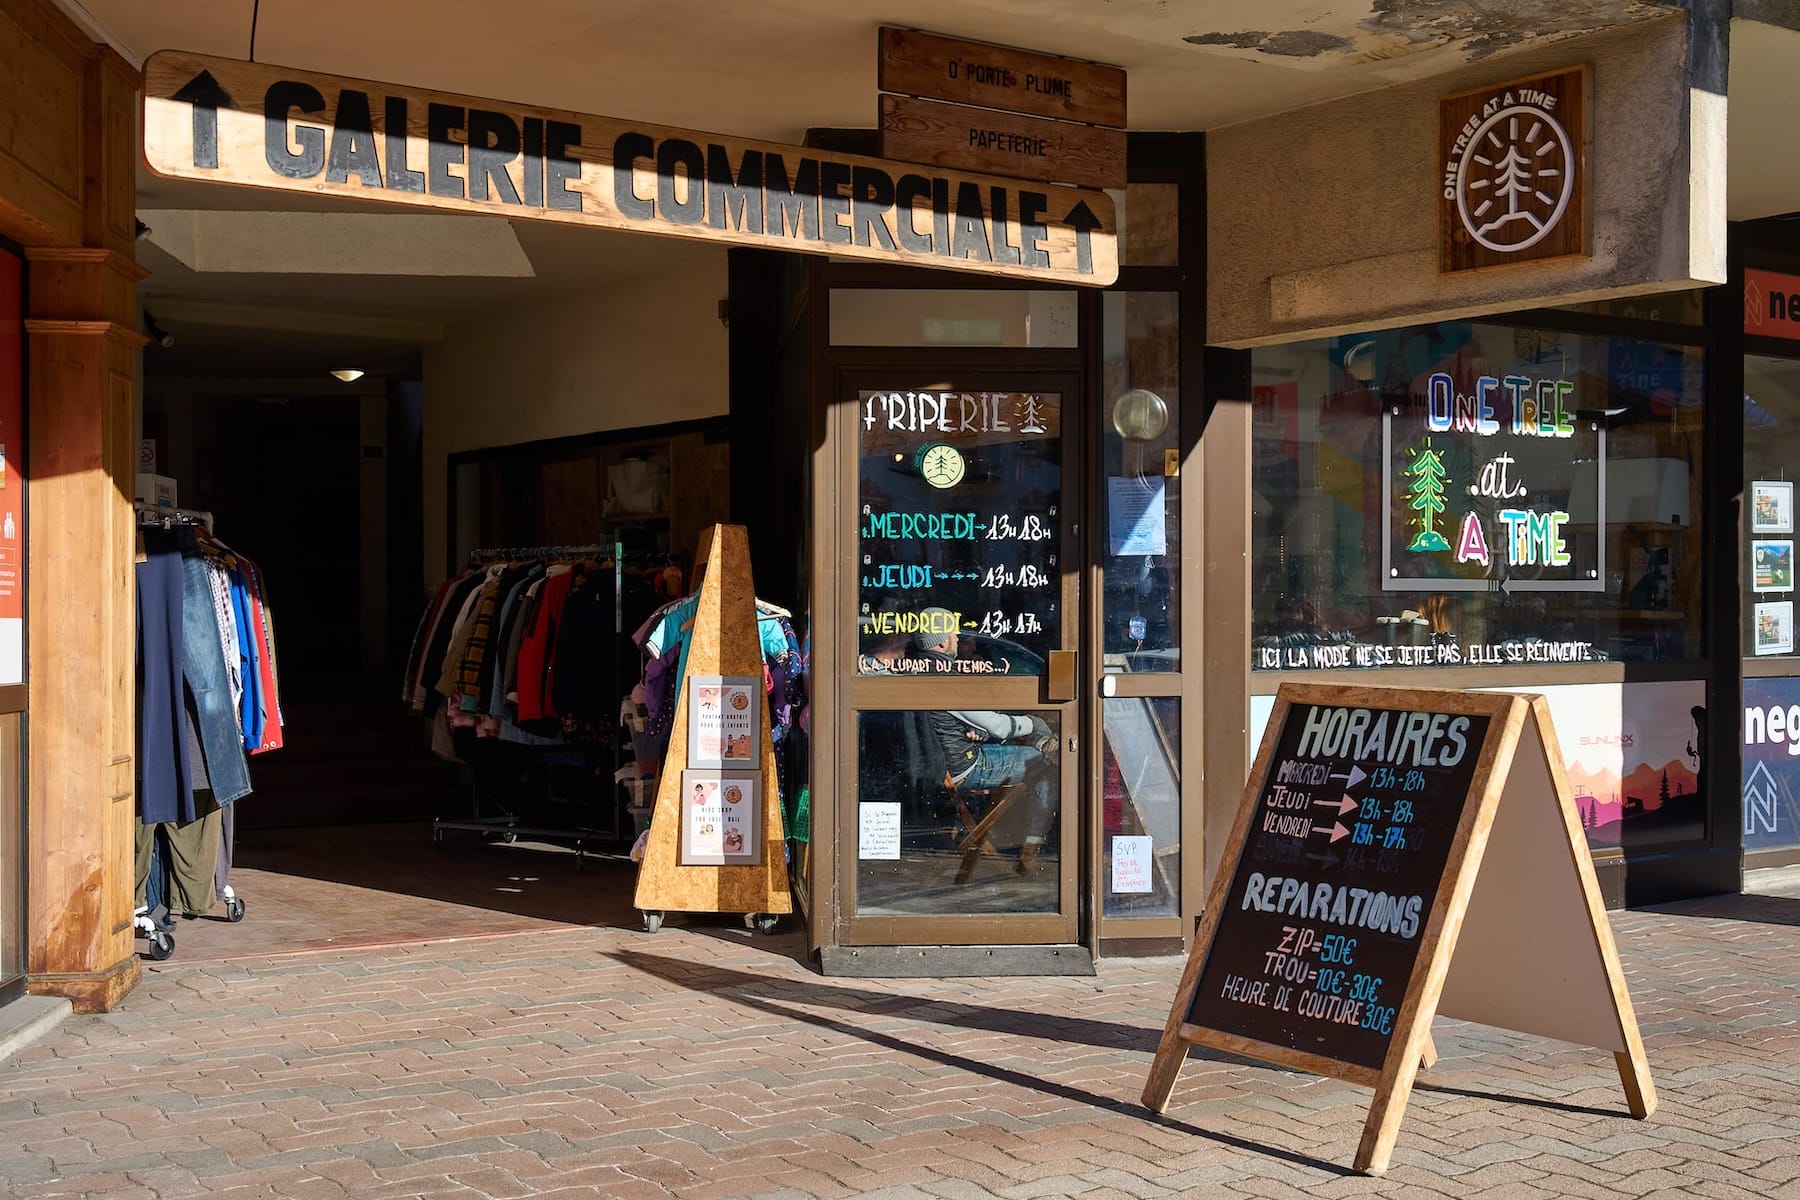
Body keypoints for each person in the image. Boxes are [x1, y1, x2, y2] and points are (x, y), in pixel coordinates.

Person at [912, 610, 1058, 864]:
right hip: (966, 766)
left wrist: (975, 730)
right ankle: (1032, 847)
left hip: (938, 766)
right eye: (954, 633)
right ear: (942, 641)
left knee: (1032, 751)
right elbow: (999, 727)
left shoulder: (914, 669)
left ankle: (1007, 834)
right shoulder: (945, 679)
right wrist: (1037, 723)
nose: (958, 637)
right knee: (1046, 764)